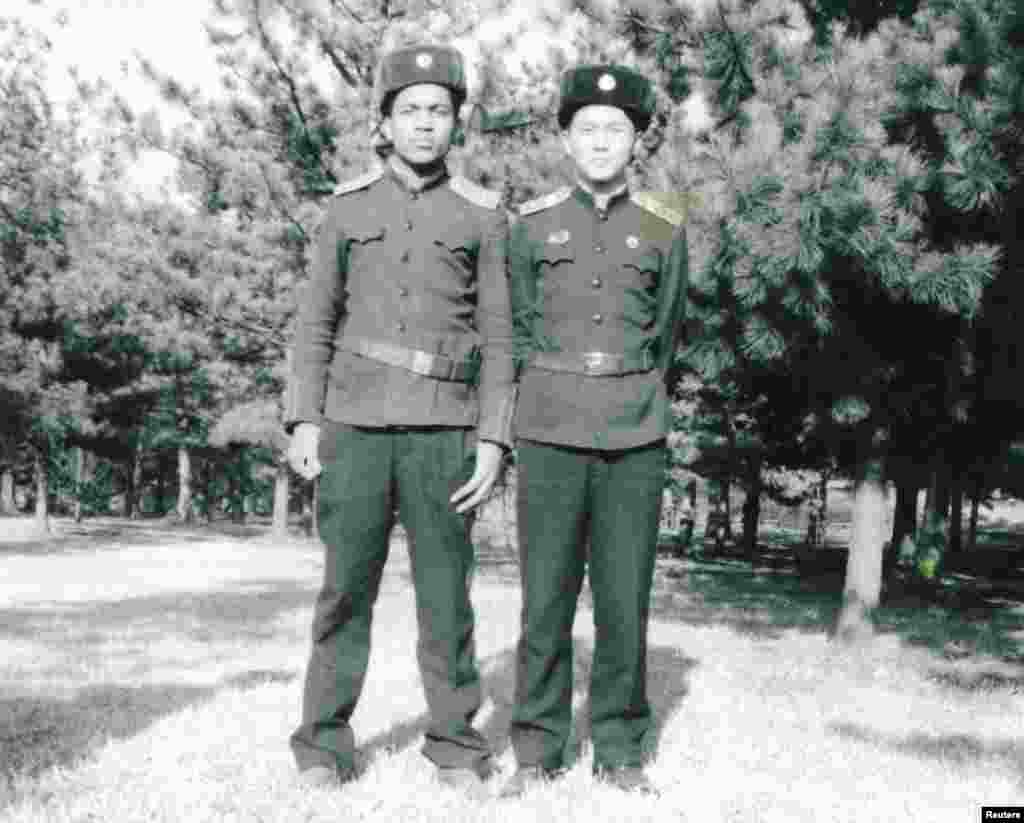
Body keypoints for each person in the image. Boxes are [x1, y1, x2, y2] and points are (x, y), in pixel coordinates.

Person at [283, 43, 515, 790]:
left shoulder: (482, 215)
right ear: (383, 122)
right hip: (353, 426)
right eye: (409, 111)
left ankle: (454, 743)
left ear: (459, 122)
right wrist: (305, 420)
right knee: (344, 591)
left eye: (438, 112)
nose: (424, 124)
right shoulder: (348, 208)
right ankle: (323, 744)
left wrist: (492, 440)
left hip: (445, 429)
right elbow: (315, 323)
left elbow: (502, 337)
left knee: (446, 596)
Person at [501, 64, 689, 798]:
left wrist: (628, 388)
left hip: (634, 430)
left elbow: (667, 332)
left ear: (636, 141)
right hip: (549, 426)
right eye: (588, 129)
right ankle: (537, 747)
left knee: (623, 598)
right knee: (544, 596)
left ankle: (619, 746)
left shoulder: (663, 228)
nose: (602, 141)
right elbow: (515, 329)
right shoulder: (531, 225)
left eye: (616, 129)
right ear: (566, 139)